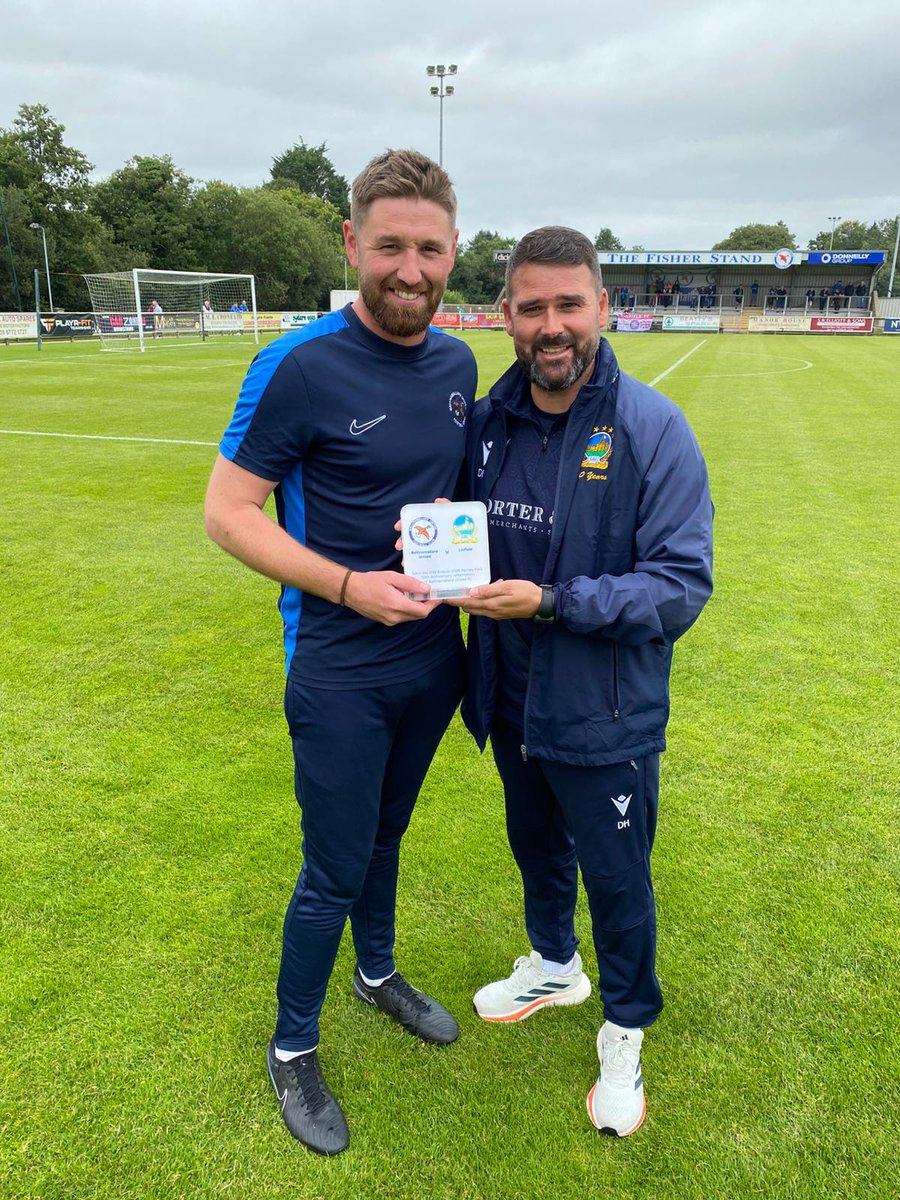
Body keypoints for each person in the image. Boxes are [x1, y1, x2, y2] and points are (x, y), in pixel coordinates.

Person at [204, 149, 477, 1156]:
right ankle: (291, 1045)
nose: (410, 269)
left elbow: (443, 495)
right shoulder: (301, 363)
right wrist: (350, 584)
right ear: (354, 242)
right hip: (338, 662)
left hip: (432, 658)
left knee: (387, 839)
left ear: (455, 255)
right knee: (331, 864)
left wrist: (452, 527)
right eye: (391, 246)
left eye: (431, 250)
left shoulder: (457, 364)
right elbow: (229, 514)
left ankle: (376, 973)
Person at [448, 227, 713, 1138]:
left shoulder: (649, 428)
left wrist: (554, 601)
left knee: (619, 879)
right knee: (536, 847)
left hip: (605, 714)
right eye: (532, 308)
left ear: (603, 306)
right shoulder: (490, 420)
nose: (551, 326)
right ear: (507, 317)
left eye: (569, 304)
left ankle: (626, 1031)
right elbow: (463, 527)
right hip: (510, 698)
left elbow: (680, 586)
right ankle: (554, 964)